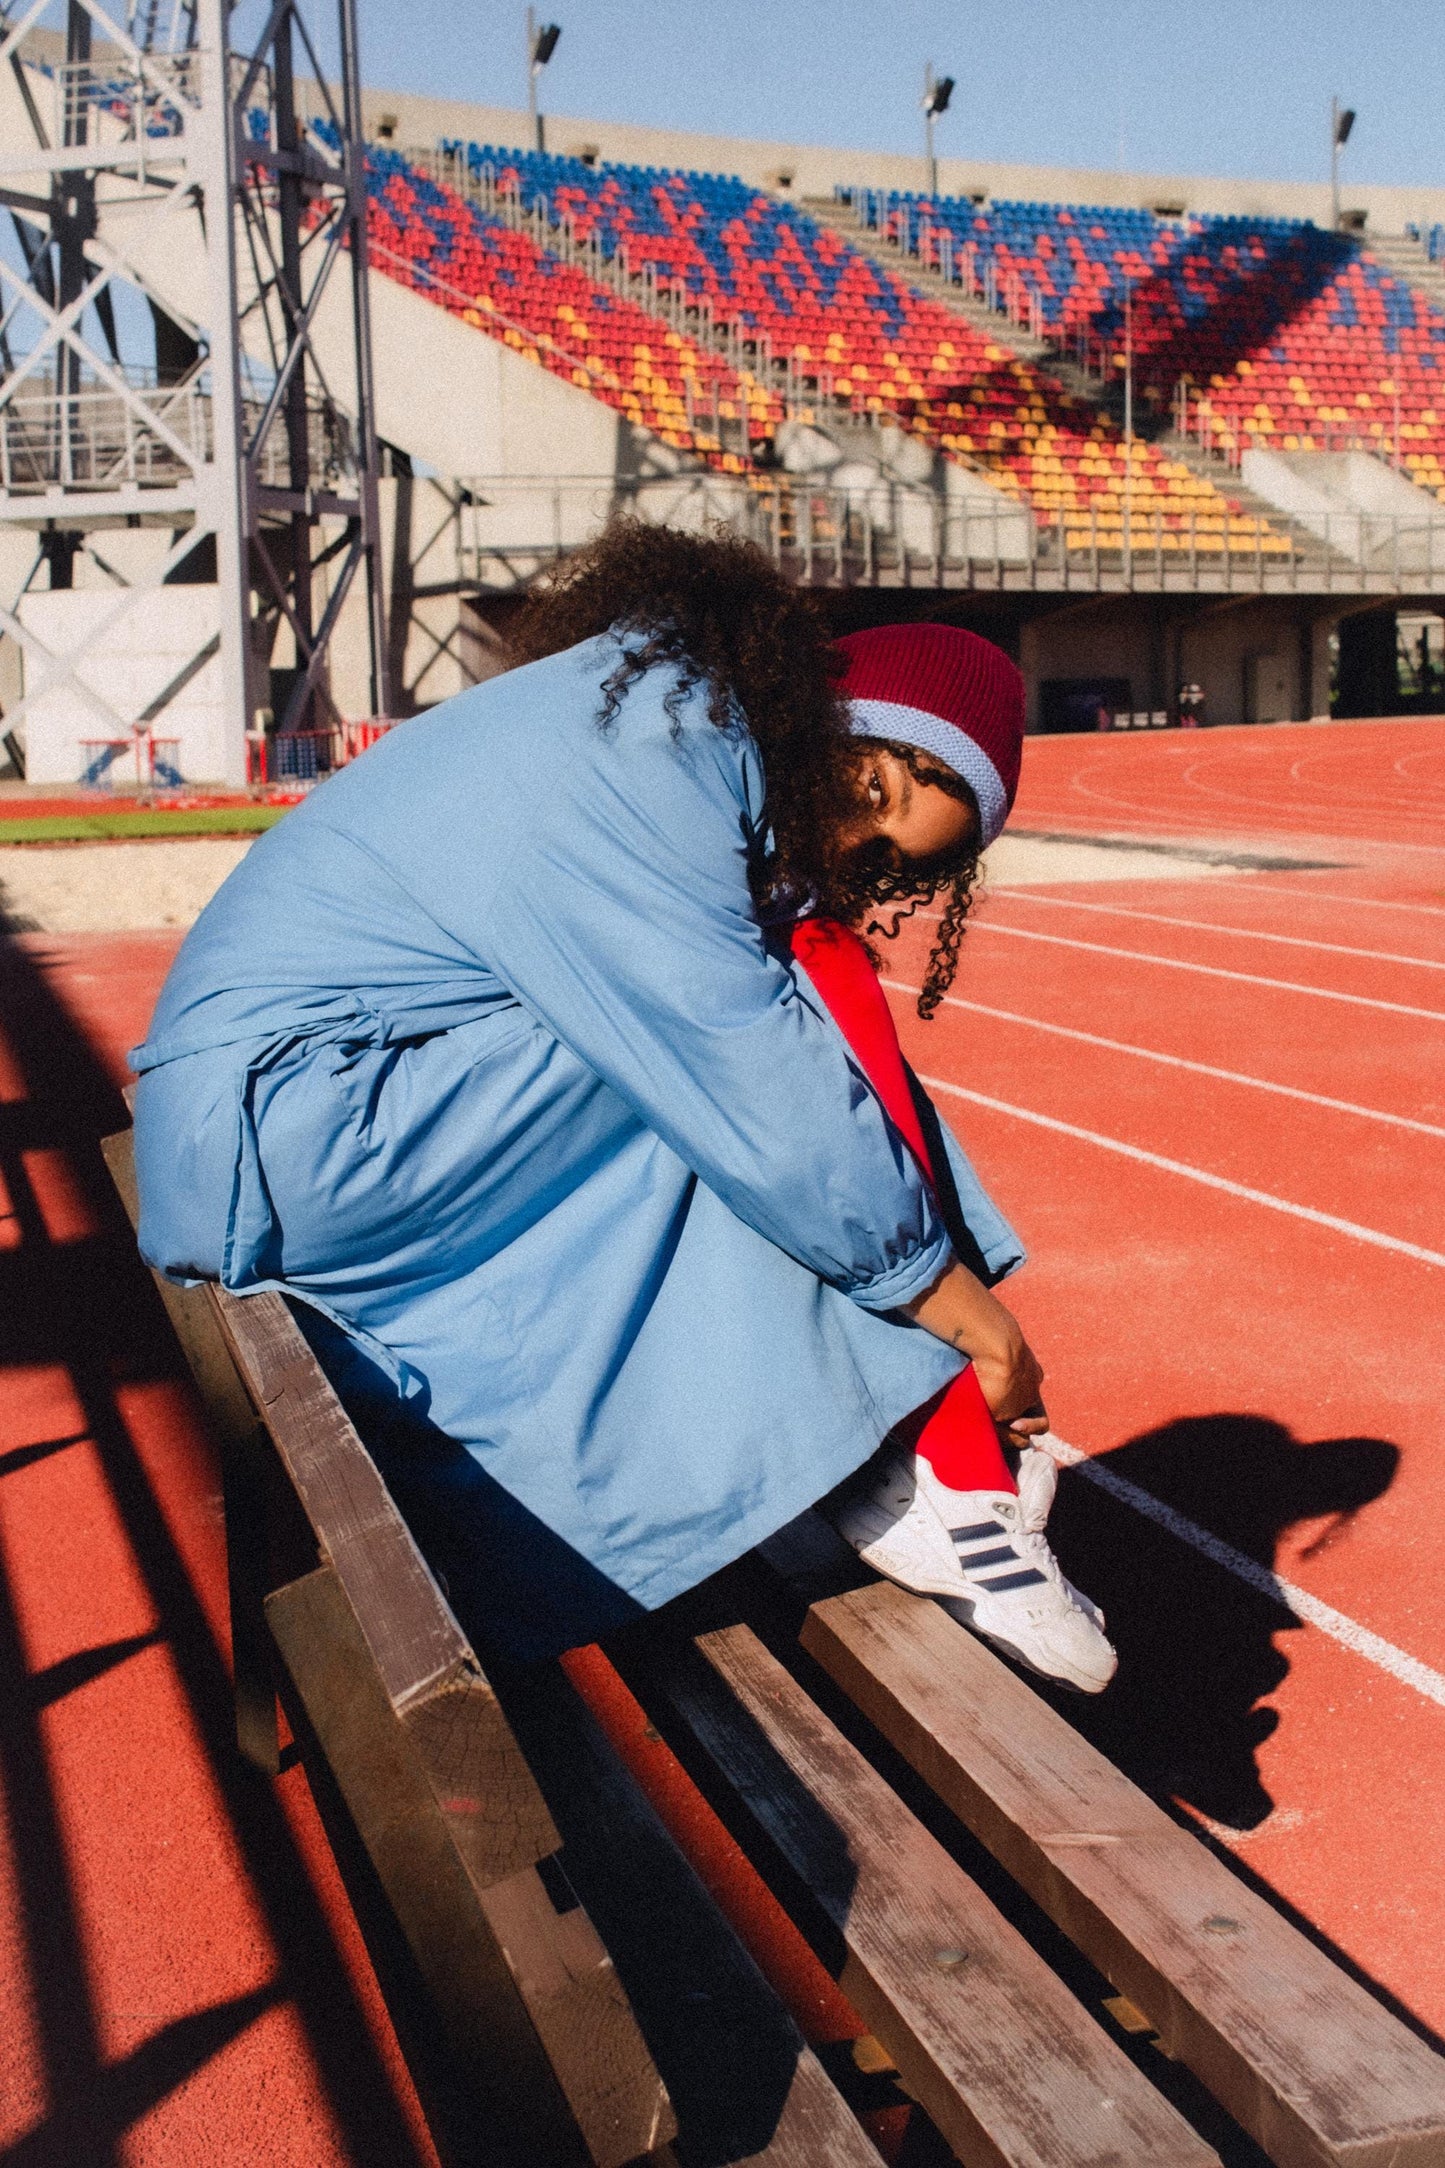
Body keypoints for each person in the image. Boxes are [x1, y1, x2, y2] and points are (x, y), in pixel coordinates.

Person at [131, 523, 1113, 1690]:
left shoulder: (652, 714)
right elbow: (745, 1075)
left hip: (283, 1126)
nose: (858, 840)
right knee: (774, 1021)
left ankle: (851, 1453)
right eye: (868, 789)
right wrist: (965, 1313)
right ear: (823, 716)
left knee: (766, 1023)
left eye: (894, 860)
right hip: (293, 1132)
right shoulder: (652, 754)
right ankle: (943, 1468)